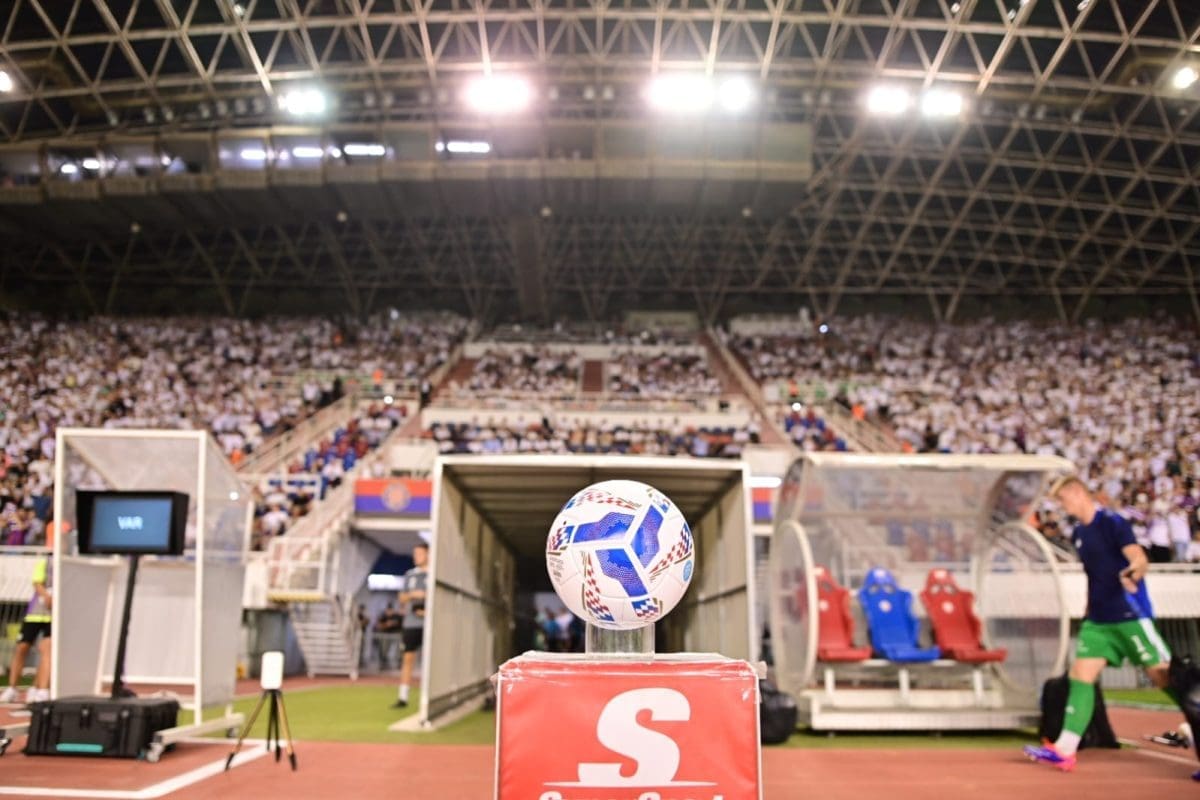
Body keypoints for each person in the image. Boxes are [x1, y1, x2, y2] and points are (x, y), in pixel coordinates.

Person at [1024, 477, 1175, 772]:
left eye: (1062, 499)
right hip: (1098, 621)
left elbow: (1138, 558)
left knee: (1164, 677)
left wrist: (1133, 572)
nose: (1062, 507)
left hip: (1130, 616)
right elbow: (1094, 577)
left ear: (1077, 492)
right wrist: (1088, 610)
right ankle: (1065, 749)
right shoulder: (1080, 533)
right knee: (1081, 675)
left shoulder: (1112, 523)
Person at [1, 552, 52, 704]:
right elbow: (37, 582)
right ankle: (12, 688)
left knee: (47, 650)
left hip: (55, 615)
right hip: (36, 613)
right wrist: (47, 597)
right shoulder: (46, 560)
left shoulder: (70, 561)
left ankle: (40, 689)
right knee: (22, 647)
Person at [393, 543, 428, 708]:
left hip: (429, 624)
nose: (416, 557)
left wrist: (426, 599)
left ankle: (428, 695)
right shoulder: (410, 575)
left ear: (428, 554)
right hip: (411, 623)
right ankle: (403, 697)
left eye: (420, 553)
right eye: (415, 554)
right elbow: (402, 597)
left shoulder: (434, 574)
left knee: (430, 660)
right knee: (408, 658)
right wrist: (414, 594)